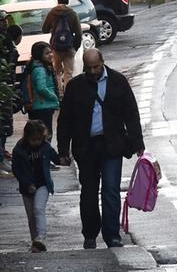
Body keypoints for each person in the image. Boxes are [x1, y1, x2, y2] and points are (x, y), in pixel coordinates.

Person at [57, 48, 144, 249]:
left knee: (111, 190)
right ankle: (90, 234)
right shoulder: (75, 87)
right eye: (89, 68)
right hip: (86, 147)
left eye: (96, 67)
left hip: (112, 145)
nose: (94, 71)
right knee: (88, 191)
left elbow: (131, 113)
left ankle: (112, 234)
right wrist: (63, 150)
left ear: (103, 62)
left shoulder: (118, 82)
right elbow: (65, 120)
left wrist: (137, 143)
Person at [11, 120, 67, 253]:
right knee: (31, 216)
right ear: (27, 137)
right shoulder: (19, 150)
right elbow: (17, 170)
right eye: (34, 140)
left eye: (39, 139)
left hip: (42, 184)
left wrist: (62, 160)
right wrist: (27, 184)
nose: (37, 142)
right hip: (26, 187)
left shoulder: (45, 146)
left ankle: (41, 237)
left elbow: (55, 158)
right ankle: (35, 242)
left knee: (38, 208)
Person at [41, 0, 81, 97]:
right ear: (68, 1)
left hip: (56, 48)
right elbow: (78, 33)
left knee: (57, 71)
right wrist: (75, 47)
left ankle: (59, 94)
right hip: (69, 47)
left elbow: (44, 29)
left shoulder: (52, 13)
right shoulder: (73, 13)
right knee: (69, 73)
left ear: (58, 0)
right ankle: (68, 95)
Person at [25, 42, 60, 146]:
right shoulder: (40, 69)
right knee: (44, 135)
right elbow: (41, 87)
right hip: (43, 107)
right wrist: (53, 96)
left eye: (51, 52)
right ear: (39, 55)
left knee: (38, 135)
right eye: (47, 53)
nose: (50, 55)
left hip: (41, 106)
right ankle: (44, 158)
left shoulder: (38, 66)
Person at [0, 10, 19, 176]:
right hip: (4, 85)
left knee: (6, 124)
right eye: (2, 21)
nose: (5, 23)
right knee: (3, 124)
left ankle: (2, 152)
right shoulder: (4, 41)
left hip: (7, 85)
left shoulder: (7, 39)